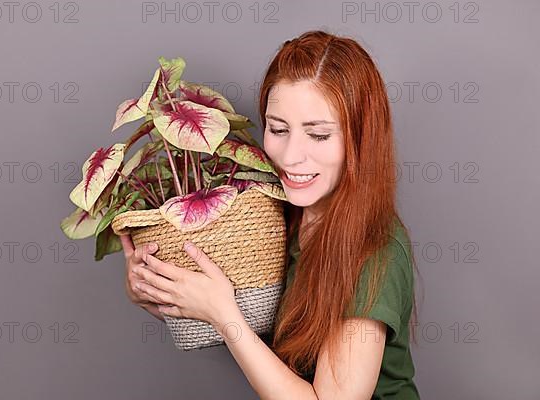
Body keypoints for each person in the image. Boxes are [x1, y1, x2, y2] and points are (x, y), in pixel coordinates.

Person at [119, 29, 421, 399]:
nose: (291, 156)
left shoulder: (376, 250)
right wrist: (157, 290)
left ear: (361, 137)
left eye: (319, 135)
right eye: (278, 129)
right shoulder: (283, 216)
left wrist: (224, 315)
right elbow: (246, 331)